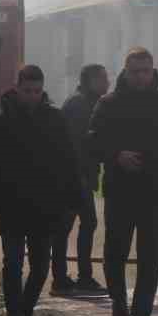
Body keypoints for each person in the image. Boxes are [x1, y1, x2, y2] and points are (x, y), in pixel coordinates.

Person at [87, 47, 158, 316]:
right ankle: (119, 303)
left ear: (152, 70)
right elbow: (92, 143)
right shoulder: (108, 103)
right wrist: (116, 155)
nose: (141, 77)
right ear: (126, 71)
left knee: (149, 256)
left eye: (146, 71)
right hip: (120, 190)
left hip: (155, 190)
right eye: (135, 71)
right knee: (115, 253)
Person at [0, 64, 81, 316]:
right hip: (10, 203)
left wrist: (75, 199)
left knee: (41, 264)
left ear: (42, 89)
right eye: (27, 90)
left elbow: (68, 161)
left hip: (45, 204)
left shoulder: (54, 119)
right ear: (17, 88)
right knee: (13, 263)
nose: (32, 95)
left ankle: (25, 310)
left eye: (36, 90)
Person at [51, 63, 108, 295]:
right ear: (92, 81)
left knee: (76, 225)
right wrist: (80, 178)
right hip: (74, 177)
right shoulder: (80, 105)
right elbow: (76, 145)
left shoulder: (84, 102)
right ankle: (67, 278)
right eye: (104, 79)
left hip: (78, 175)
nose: (108, 83)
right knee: (69, 226)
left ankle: (72, 277)